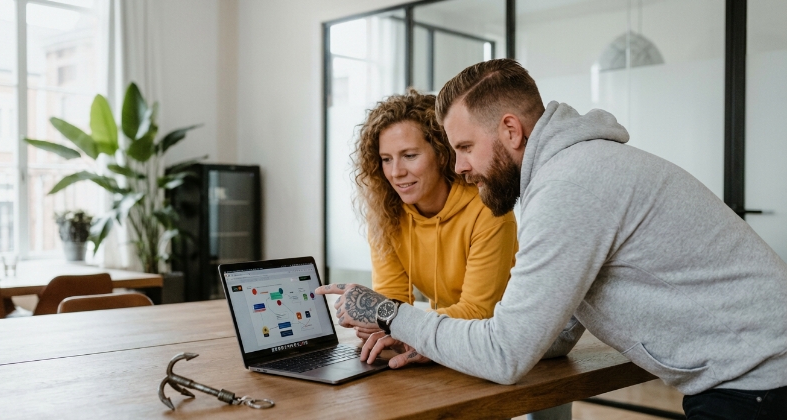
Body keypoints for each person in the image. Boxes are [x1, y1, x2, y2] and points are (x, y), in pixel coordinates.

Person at [318, 58, 787, 418]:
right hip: (754, 374)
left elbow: (506, 354)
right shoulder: (570, 173)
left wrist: (387, 313)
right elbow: (554, 333)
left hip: (760, 382)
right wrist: (428, 342)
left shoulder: (569, 186)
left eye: (464, 147)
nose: (458, 166)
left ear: (510, 129)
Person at [347, 90, 571, 420]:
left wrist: (400, 326)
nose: (396, 172)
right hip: (450, 338)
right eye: (386, 159)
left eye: (409, 155)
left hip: (524, 341)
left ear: (440, 153)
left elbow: (479, 310)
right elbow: (391, 302)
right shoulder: (385, 215)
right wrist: (379, 325)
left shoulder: (488, 209)